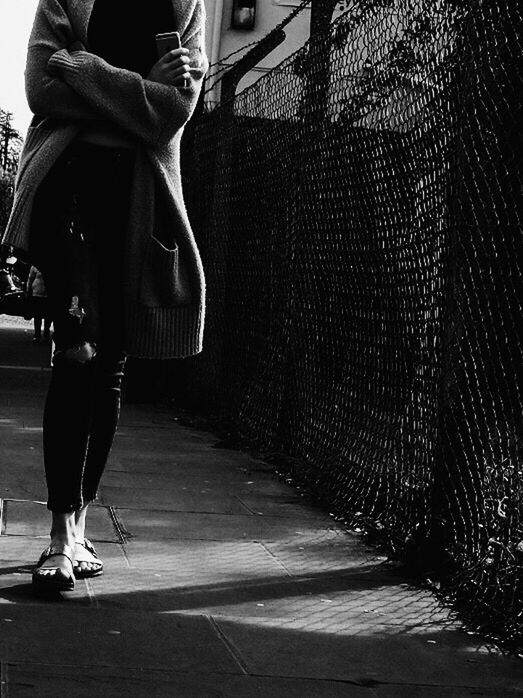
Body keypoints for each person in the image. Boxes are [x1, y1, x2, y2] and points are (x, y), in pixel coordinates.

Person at [1, 0, 208, 592]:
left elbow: (175, 109)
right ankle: (61, 534)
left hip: (139, 198)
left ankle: (83, 522)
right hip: (71, 192)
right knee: (76, 357)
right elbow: (43, 90)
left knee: (111, 366)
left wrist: (86, 72)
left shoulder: (185, 5)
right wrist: (139, 90)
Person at [26, 265, 52, 342]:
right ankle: (37, 335)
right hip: (37, 293)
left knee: (48, 315)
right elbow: (30, 278)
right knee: (37, 315)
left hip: (48, 294)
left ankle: (46, 333)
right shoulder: (34, 266)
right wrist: (28, 289)